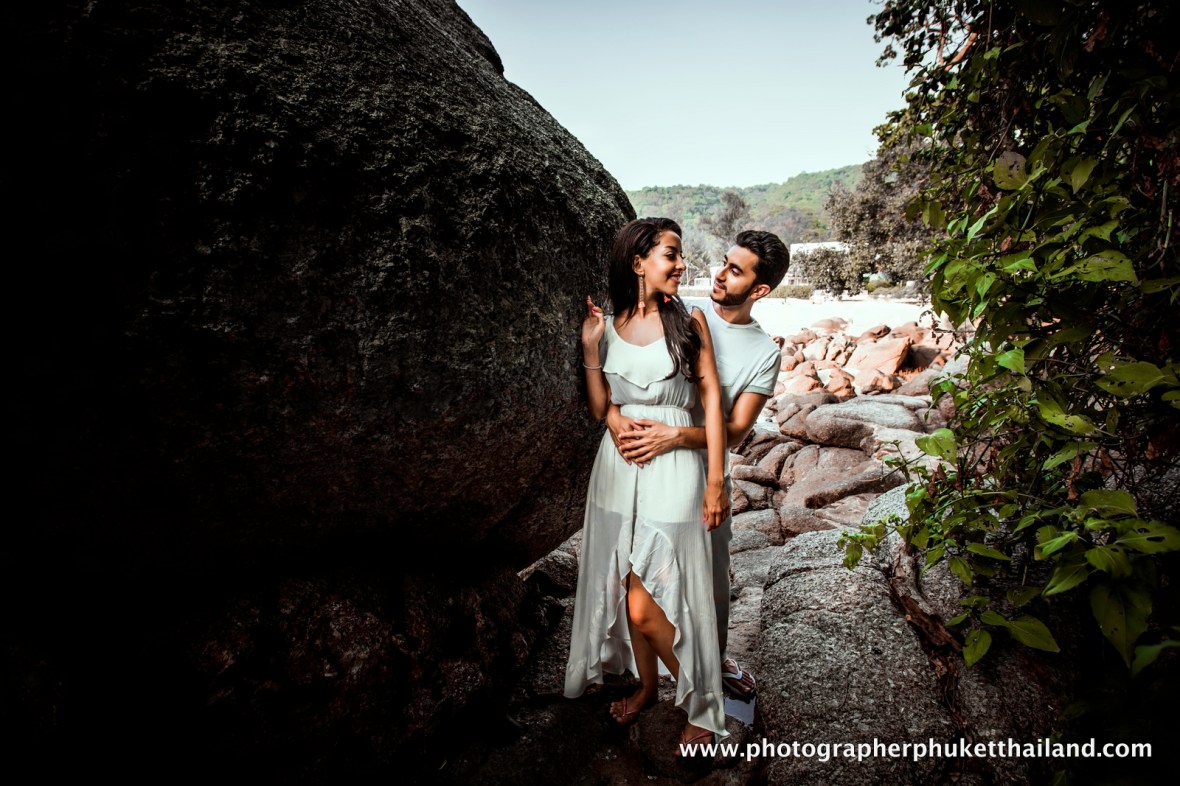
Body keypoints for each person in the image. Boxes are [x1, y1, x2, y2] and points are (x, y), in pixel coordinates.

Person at [564, 218, 730, 751]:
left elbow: (713, 408)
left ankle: (704, 701)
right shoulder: (608, 327)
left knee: (651, 597)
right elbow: (599, 409)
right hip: (615, 472)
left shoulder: (691, 323)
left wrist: (716, 482)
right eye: (671, 254)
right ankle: (648, 687)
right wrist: (592, 353)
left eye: (679, 256)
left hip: (674, 471)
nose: (682, 265)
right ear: (638, 262)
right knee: (623, 583)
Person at [607, 229, 790, 701]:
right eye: (723, 262)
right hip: (642, 466)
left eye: (735, 270)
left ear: (760, 290)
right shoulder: (684, 311)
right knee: (639, 576)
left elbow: (734, 430)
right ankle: (653, 678)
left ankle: (713, 671)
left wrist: (675, 437)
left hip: (702, 475)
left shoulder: (764, 354)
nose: (719, 273)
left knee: (709, 585)